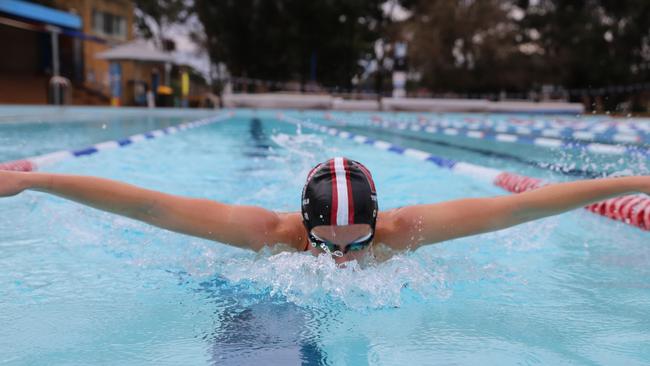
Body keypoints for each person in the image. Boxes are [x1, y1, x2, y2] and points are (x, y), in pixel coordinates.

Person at [1, 157, 648, 265]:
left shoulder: (402, 233)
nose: (340, 259)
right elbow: (149, 205)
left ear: (378, 224)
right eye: (327, 244)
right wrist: (38, 183)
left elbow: (514, 212)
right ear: (303, 225)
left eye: (355, 245)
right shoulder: (268, 234)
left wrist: (634, 180)